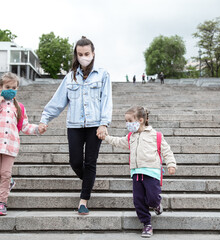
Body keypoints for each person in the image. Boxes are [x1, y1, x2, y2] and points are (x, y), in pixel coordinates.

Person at [39, 36, 112, 215]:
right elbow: (58, 101)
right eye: (80, 54)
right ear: (76, 55)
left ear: (93, 53)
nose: (83, 57)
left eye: (87, 53)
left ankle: (83, 200)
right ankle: (89, 180)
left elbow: (107, 101)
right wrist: (44, 119)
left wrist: (104, 123)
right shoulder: (70, 77)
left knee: (90, 162)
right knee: (75, 161)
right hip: (74, 125)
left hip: (95, 125)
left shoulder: (103, 75)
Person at [99, 106, 176, 238]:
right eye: (126, 121)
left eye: (129, 120)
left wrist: (171, 164)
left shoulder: (155, 135)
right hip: (136, 173)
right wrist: (106, 138)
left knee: (152, 197)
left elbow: (166, 151)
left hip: (152, 172)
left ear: (140, 120)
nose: (127, 124)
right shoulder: (131, 137)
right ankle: (146, 224)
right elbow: (118, 142)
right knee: (138, 200)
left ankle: (156, 205)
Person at [0, 72, 40, 216]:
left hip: (11, 145)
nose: (11, 90)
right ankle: (10, 181)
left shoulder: (18, 107)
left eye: (14, 87)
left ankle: (2, 203)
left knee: (5, 174)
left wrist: (38, 129)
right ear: (0, 87)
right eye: (7, 87)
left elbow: (25, 126)